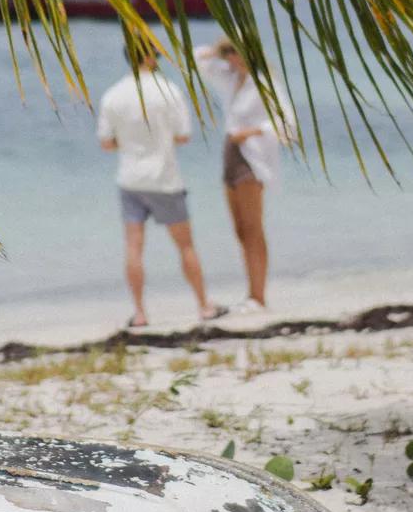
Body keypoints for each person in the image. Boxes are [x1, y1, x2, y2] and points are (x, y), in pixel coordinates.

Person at [96, 35, 225, 331]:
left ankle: (140, 313)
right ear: (150, 58)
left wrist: (128, 144)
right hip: (165, 178)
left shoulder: (113, 95)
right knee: (185, 246)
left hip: (130, 179)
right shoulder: (169, 91)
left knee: (133, 247)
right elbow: (183, 136)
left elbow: (105, 142)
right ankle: (204, 305)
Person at [198, 42, 291, 310]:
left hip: (252, 158)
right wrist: (218, 50)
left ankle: (258, 296)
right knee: (239, 228)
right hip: (230, 153)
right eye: (230, 54)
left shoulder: (264, 82)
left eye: (236, 52)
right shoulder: (232, 79)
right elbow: (198, 60)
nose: (232, 59)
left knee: (252, 227)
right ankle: (251, 292)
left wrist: (251, 132)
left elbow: (286, 124)